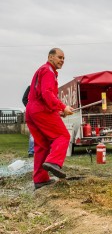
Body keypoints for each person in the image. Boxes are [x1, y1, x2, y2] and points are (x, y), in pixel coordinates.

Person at [26, 48, 74, 189]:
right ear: (50, 57)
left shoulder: (43, 70)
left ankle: (40, 179)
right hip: (41, 109)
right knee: (62, 136)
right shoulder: (48, 71)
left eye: (64, 58)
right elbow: (47, 93)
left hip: (32, 110)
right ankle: (53, 163)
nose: (62, 60)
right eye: (59, 57)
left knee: (42, 145)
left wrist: (58, 111)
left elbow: (40, 94)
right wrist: (62, 106)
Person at [22, 86, 34, 157]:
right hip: (34, 113)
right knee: (33, 133)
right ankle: (31, 151)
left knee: (33, 133)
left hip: (33, 112)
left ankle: (31, 151)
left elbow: (24, 99)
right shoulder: (30, 87)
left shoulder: (30, 87)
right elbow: (24, 99)